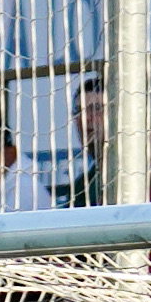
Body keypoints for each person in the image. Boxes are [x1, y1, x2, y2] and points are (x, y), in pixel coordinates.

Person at [55, 78, 112, 208]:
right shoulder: (82, 185)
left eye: (96, 108)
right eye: (79, 111)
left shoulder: (132, 173)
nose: (85, 118)